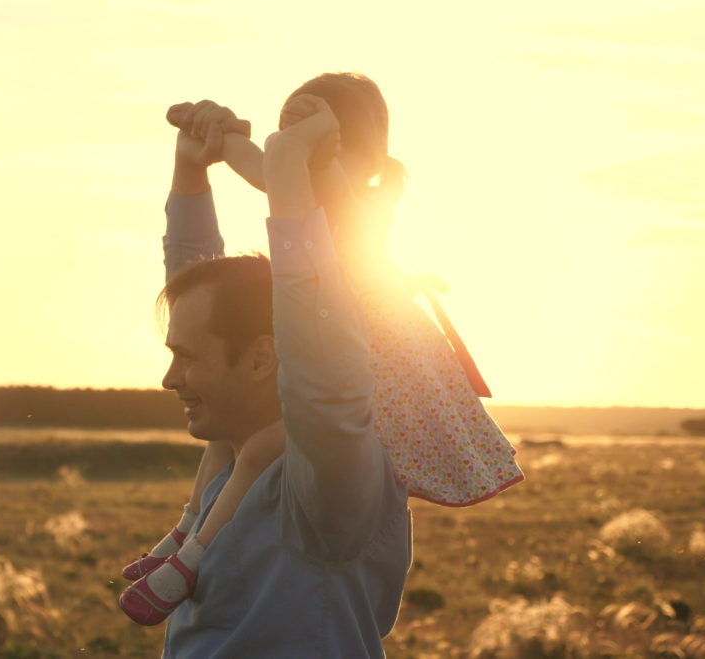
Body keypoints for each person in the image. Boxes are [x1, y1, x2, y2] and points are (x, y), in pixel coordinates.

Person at [119, 73, 523, 655]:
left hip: (354, 343)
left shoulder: (327, 483)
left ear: (267, 354)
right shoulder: (247, 449)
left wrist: (290, 174)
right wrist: (194, 169)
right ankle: (185, 540)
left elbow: (321, 376)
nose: (170, 377)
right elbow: (206, 307)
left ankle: (185, 548)